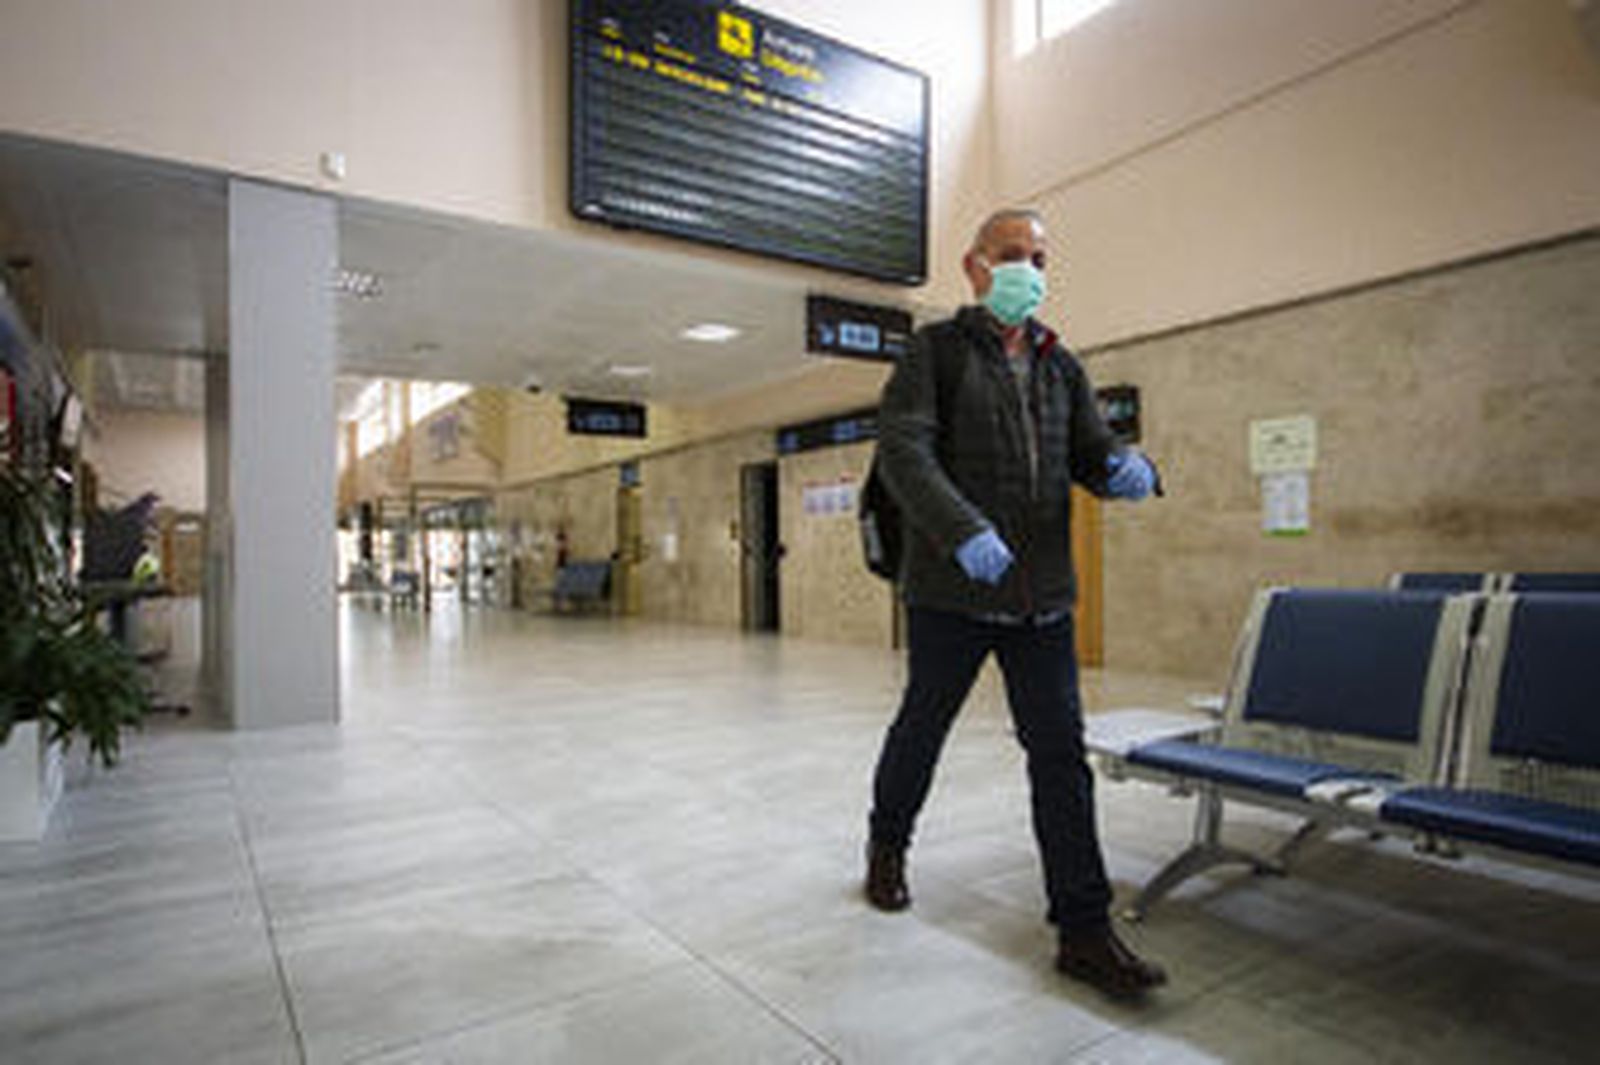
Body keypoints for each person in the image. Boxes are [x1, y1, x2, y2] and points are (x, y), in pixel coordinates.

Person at [863, 207, 1167, 999]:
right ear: (973, 267)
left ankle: (1084, 929)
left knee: (1060, 758)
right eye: (1010, 255)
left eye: (1038, 256)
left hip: (1043, 600)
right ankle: (887, 846)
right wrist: (960, 528)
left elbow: (1089, 452)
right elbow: (903, 448)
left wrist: (1125, 469)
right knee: (921, 729)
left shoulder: (1061, 363)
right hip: (950, 594)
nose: (1027, 268)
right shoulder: (933, 353)